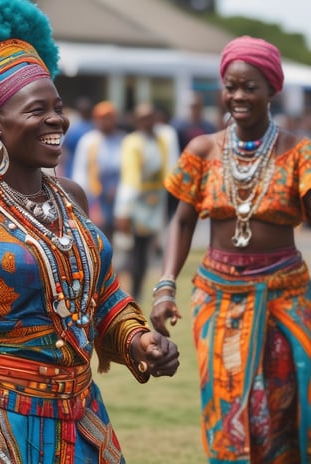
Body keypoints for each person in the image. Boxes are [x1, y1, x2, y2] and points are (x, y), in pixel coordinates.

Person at [0, 1, 180, 463]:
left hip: (80, 417)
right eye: (38, 110)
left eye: (58, 107)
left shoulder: (71, 196)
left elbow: (100, 299)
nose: (58, 120)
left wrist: (138, 341)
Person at [150, 36, 311, 463]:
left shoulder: (299, 153)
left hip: (284, 297)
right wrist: (165, 286)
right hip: (218, 298)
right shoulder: (202, 150)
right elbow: (182, 221)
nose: (238, 96)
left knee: (282, 405)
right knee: (226, 406)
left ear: (272, 90)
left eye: (250, 87)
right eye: (230, 86)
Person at [114, 102, 170, 301]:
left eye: (151, 117)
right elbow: (130, 180)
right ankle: (122, 295)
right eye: (143, 118)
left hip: (153, 205)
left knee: (144, 254)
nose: (148, 122)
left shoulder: (161, 141)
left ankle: (136, 293)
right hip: (135, 206)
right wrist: (123, 212)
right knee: (130, 253)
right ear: (137, 121)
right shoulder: (132, 142)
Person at [71, 101, 125, 241]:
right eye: (102, 118)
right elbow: (81, 171)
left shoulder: (122, 140)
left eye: (109, 118)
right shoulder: (88, 141)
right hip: (94, 195)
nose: (106, 122)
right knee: (96, 231)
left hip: (116, 194)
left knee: (113, 230)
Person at [61, 96, 94, 178]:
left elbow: (63, 150)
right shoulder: (94, 127)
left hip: (78, 168)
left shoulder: (73, 128)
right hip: (76, 167)